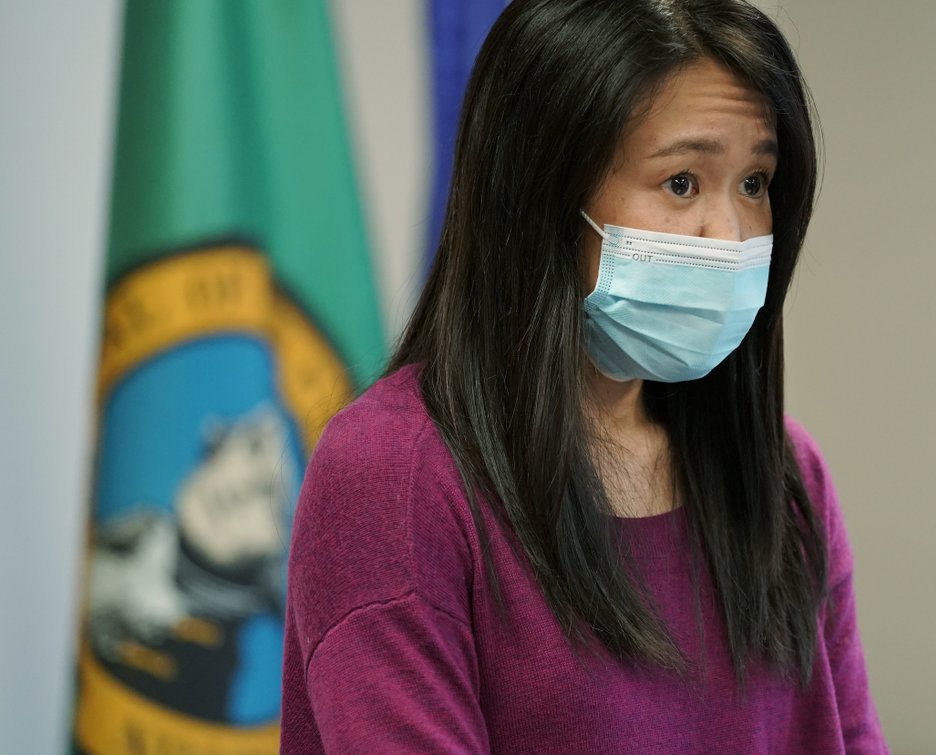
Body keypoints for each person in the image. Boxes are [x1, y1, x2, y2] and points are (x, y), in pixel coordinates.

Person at [280, 0, 888, 751]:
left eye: (755, 183)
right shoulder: (395, 476)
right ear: (545, 194)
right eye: (681, 183)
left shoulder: (788, 475)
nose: (729, 236)